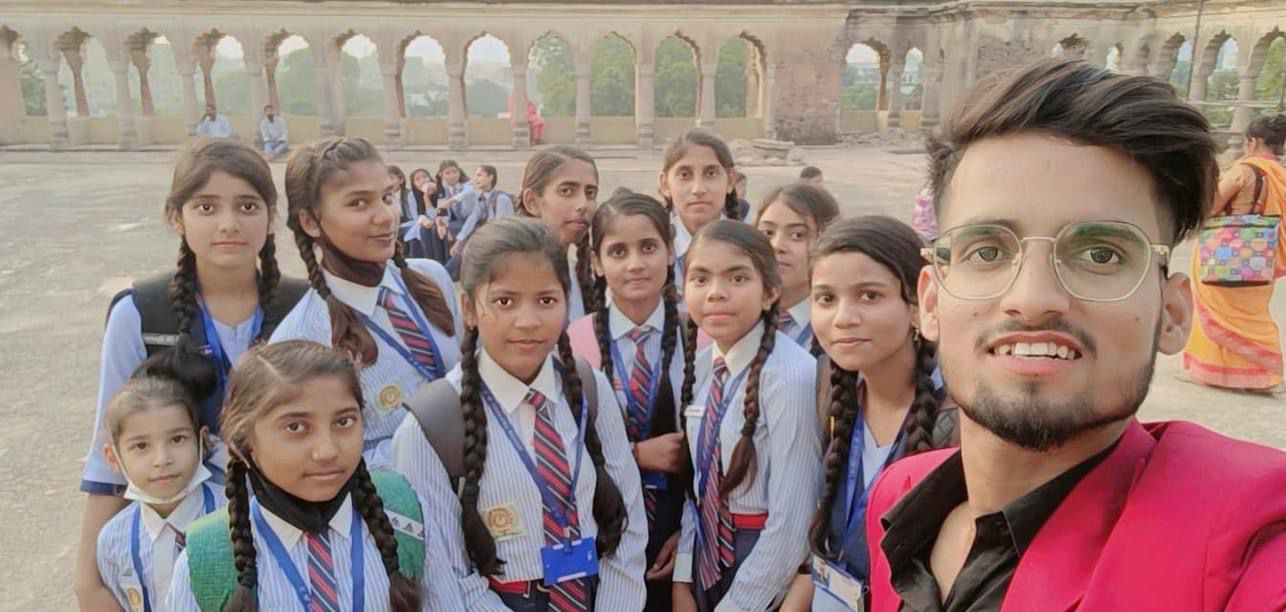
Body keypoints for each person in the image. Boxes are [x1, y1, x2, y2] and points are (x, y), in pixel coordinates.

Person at [864, 58, 1286, 611]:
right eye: (987, 251)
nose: (1033, 297)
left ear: (1172, 313)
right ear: (930, 301)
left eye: (1101, 254)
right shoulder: (898, 498)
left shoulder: (1242, 548)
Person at [76, 138, 306, 611]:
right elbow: (111, 446)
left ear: (270, 217)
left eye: (247, 206)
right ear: (174, 217)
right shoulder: (141, 314)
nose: (229, 223)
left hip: (294, 535)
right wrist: (88, 580)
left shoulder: (306, 309)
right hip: (182, 548)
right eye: (206, 207)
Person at [391, 218, 648, 610]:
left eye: (546, 301)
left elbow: (627, 523)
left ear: (566, 301)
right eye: (504, 302)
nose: (527, 321)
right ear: (468, 308)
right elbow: (444, 577)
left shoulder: (589, 390)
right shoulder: (432, 426)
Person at [168, 340, 470, 610]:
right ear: (243, 443)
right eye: (296, 427)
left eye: (344, 422)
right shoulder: (207, 560)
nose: (327, 451)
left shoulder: (406, 518)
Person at [790, 216, 958, 611]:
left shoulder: (958, 424)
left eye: (869, 296)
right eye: (826, 299)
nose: (843, 318)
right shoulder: (827, 390)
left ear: (919, 306)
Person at [271, 137, 461, 468]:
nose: (386, 216)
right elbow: (321, 461)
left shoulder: (433, 279)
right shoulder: (300, 339)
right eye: (359, 203)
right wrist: (430, 446)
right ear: (310, 221)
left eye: (387, 197)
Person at [672, 220, 821, 612]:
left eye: (737, 278)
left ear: (770, 292)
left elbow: (793, 518)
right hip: (706, 558)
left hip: (762, 565)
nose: (716, 292)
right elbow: (700, 485)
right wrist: (682, 578)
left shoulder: (790, 375)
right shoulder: (703, 366)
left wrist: (739, 605)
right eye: (700, 278)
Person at [568, 192, 700, 611]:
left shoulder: (701, 338)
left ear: (670, 250)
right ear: (596, 263)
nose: (635, 264)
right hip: (600, 529)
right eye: (618, 252)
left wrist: (691, 535)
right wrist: (635, 455)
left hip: (683, 527)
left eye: (648, 247)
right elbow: (560, 448)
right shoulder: (573, 343)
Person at [95, 374, 224, 612]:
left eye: (177, 439)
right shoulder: (113, 540)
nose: (162, 459)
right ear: (113, 458)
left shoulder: (236, 515)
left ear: (203, 441)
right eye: (141, 446)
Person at [1180, 114, 1286, 394]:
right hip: (1260, 257)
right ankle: (1262, 376)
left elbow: (1211, 206)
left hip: (1226, 253)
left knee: (1218, 309)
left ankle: (1212, 370)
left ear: (1254, 141)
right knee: (1253, 315)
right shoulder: (1281, 175)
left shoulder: (1244, 171)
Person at [516, 145, 600, 320]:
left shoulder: (581, 275)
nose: (583, 205)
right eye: (566, 191)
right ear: (532, 202)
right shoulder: (505, 274)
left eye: (590, 193)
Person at [753, 183, 840, 351]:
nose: (777, 245)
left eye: (797, 235)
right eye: (767, 233)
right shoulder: (734, 314)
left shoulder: (840, 325)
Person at [661, 129, 741, 293]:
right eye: (685, 175)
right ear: (665, 184)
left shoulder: (753, 249)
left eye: (710, 173)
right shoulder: (652, 249)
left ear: (731, 180)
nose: (698, 189)